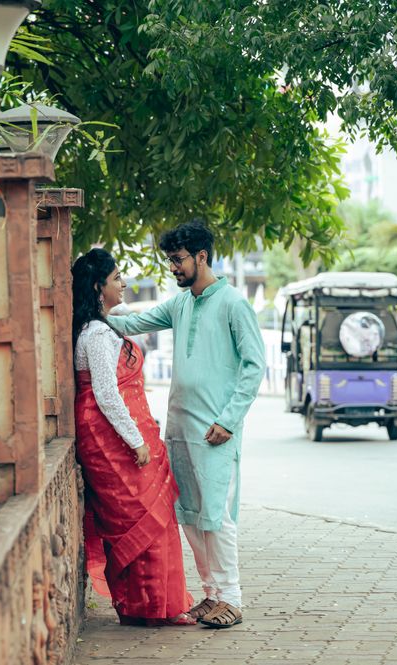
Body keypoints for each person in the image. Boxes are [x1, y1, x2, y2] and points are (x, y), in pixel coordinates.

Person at [109, 220, 265, 629]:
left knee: (217, 515)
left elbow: (254, 366)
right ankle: (212, 595)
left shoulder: (233, 303)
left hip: (216, 432)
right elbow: (131, 324)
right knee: (192, 516)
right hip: (179, 428)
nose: (174, 269)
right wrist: (93, 306)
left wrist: (229, 421)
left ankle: (231, 596)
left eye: (179, 260)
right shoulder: (180, 305)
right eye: (170, 261)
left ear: (202, 256)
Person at [71, 248, 193, 627]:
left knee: (149, 515)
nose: (123, 283)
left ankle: (156, 605)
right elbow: (106, 394)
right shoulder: (95, 335)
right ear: (98, 286)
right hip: (108, 438)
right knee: (138, 517)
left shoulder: (104, 328)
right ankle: (144, 605)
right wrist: (135, 440)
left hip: (115, 432)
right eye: (116, 278)